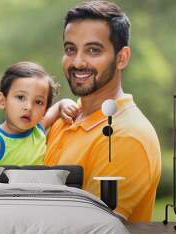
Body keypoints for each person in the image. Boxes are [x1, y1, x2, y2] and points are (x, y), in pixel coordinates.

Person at [44, 1, 161, 222]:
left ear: (122, 57)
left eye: (93, 50)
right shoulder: (66, 117)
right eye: (70, 49)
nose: (77, 62)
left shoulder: (126, 136)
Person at [0, 61, 79, 166]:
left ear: (45, 111)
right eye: (20, 97)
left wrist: (65, 103)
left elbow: (57, 107)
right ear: (2, 101)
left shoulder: (38, 129)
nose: (29, 107)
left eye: (38, 102)